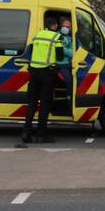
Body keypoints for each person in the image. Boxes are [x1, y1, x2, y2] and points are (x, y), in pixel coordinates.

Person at [16, 16, 63, 147]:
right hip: (47, 73)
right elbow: (60, 56)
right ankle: (41, 135)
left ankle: (26, 134)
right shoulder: (56, 37)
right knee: (44, 105)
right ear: (54, 26)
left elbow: (30, 52)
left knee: (31, 104)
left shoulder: (37, 36)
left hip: (34, 73)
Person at [55, 16, 74, 109]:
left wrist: (70, 51)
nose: (66, 28)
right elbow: (62, 49)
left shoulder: (69, 37)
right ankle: (68, 99)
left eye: (68, 27)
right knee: (69, 81)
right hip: (60, 63)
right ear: (61, 26)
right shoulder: (58, 36)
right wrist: (72, 53)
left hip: (67, 63)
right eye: (65, 26)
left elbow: (71, 47)